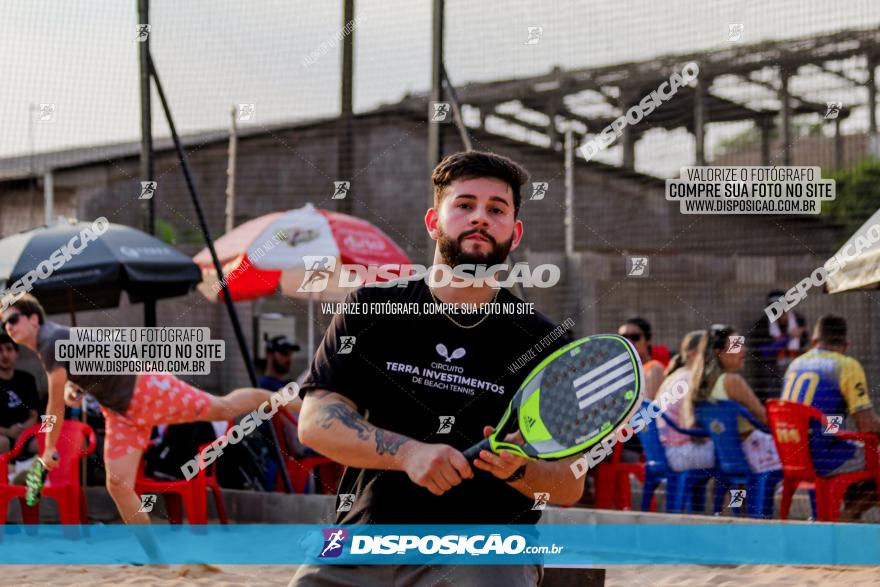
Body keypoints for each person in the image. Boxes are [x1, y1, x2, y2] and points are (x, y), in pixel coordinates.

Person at [290, 151, 583, 587]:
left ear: (514, 232)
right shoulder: (372, 307)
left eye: (496, 209)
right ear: (433, 221)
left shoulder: (544, 342)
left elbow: (571, 484)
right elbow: (315, 423)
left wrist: (520, 468)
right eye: (464, 205)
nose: (480, 218)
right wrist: (410, 454)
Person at [1, 294, 298, 527]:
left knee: (223, 408)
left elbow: (54, 404)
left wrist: (49, 448)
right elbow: (69, 387)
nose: (8, 327)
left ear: (33, 318)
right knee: (118, 485)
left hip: (144, 388)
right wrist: (73, 389)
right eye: (4, 324)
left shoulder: (51, 340)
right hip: (119, 411)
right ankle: (156, 561)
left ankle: (294, 399)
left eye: (12, 319)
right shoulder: (50, 344)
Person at [782, 315, 880, 522]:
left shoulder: (796, 364)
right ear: (846, 345)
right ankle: (844, 518)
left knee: (863, 463)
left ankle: (844, 519)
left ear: (814, 342)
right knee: (873, 458)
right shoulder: (847, 365)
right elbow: (867, 425)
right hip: (825, 459)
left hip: (791, 457)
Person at [683, 324, 781, 474]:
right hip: (756, 457)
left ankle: (740, 498)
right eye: (736, 345)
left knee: (740, 489)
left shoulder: (701, 385)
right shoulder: (732, 381)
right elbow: (765, 419)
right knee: (812, 452)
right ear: (719, 352)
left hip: (727, 460)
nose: (744, 350)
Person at [657, 330, 715, 472]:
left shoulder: (675, 375)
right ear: (693, 355)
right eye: (708, 352)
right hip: (680, 452)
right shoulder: (689, 379)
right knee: (735, 452)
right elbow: (691, 429)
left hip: (666, 451)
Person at [749, 290, 809, 401]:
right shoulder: (762, 324)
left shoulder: (798, 320)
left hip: (795, 370)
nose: (781, 315)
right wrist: (788, 338)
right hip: (773, 375)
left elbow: (805, 347)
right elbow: (764, 353)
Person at [0, 333, 40, 458]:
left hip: (26, 432)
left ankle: (35, 477)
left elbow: (35, 414)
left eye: (9, 349)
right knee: (3, 443)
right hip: (2, 434)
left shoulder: (27, 379)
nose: (5, 354)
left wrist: (24, 430)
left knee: (42, 442)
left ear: (16, 353)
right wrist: (7, 432)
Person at [618, 318, 664, 400]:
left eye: (635, 337)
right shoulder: (621, 371)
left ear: (648, 340)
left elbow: (649, 406)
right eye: (623, 338)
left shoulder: (654, 368)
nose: (629, 342)